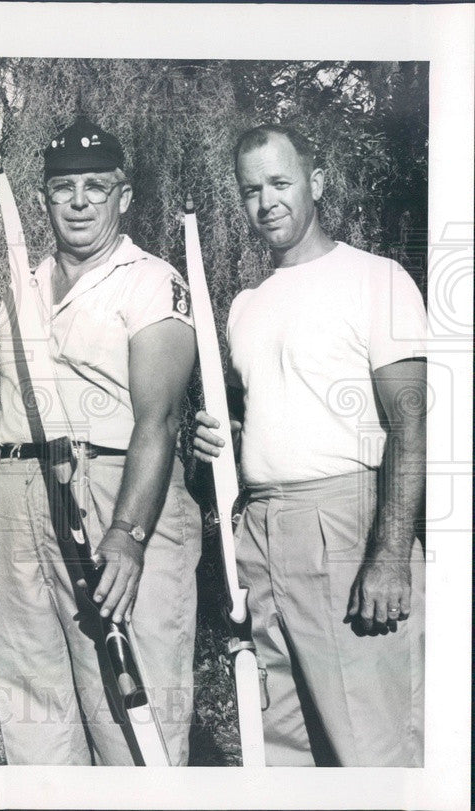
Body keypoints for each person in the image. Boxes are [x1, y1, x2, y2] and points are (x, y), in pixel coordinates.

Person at [193, 123, 426, 766]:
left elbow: (413, 428)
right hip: (261, 527)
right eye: (250, 190)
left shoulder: (375, 279)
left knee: (371, 745)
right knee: (283, 747)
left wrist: (391, 555)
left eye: (279, 182)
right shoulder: (245, 304)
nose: (265, 201)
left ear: (315, 184)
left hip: (346, 525)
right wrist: (220, 438)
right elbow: (270, 415)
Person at [0, 118, 202, 765]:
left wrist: (129, 533)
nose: (78, 202)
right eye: (63, 188)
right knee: (35, 707)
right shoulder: (22, 286)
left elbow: (158, 419)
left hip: (113, 491)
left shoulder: (150, 280)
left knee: (134, 706)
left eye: (95, 187)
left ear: (123, 195)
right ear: (44, 198)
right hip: (18, 492)